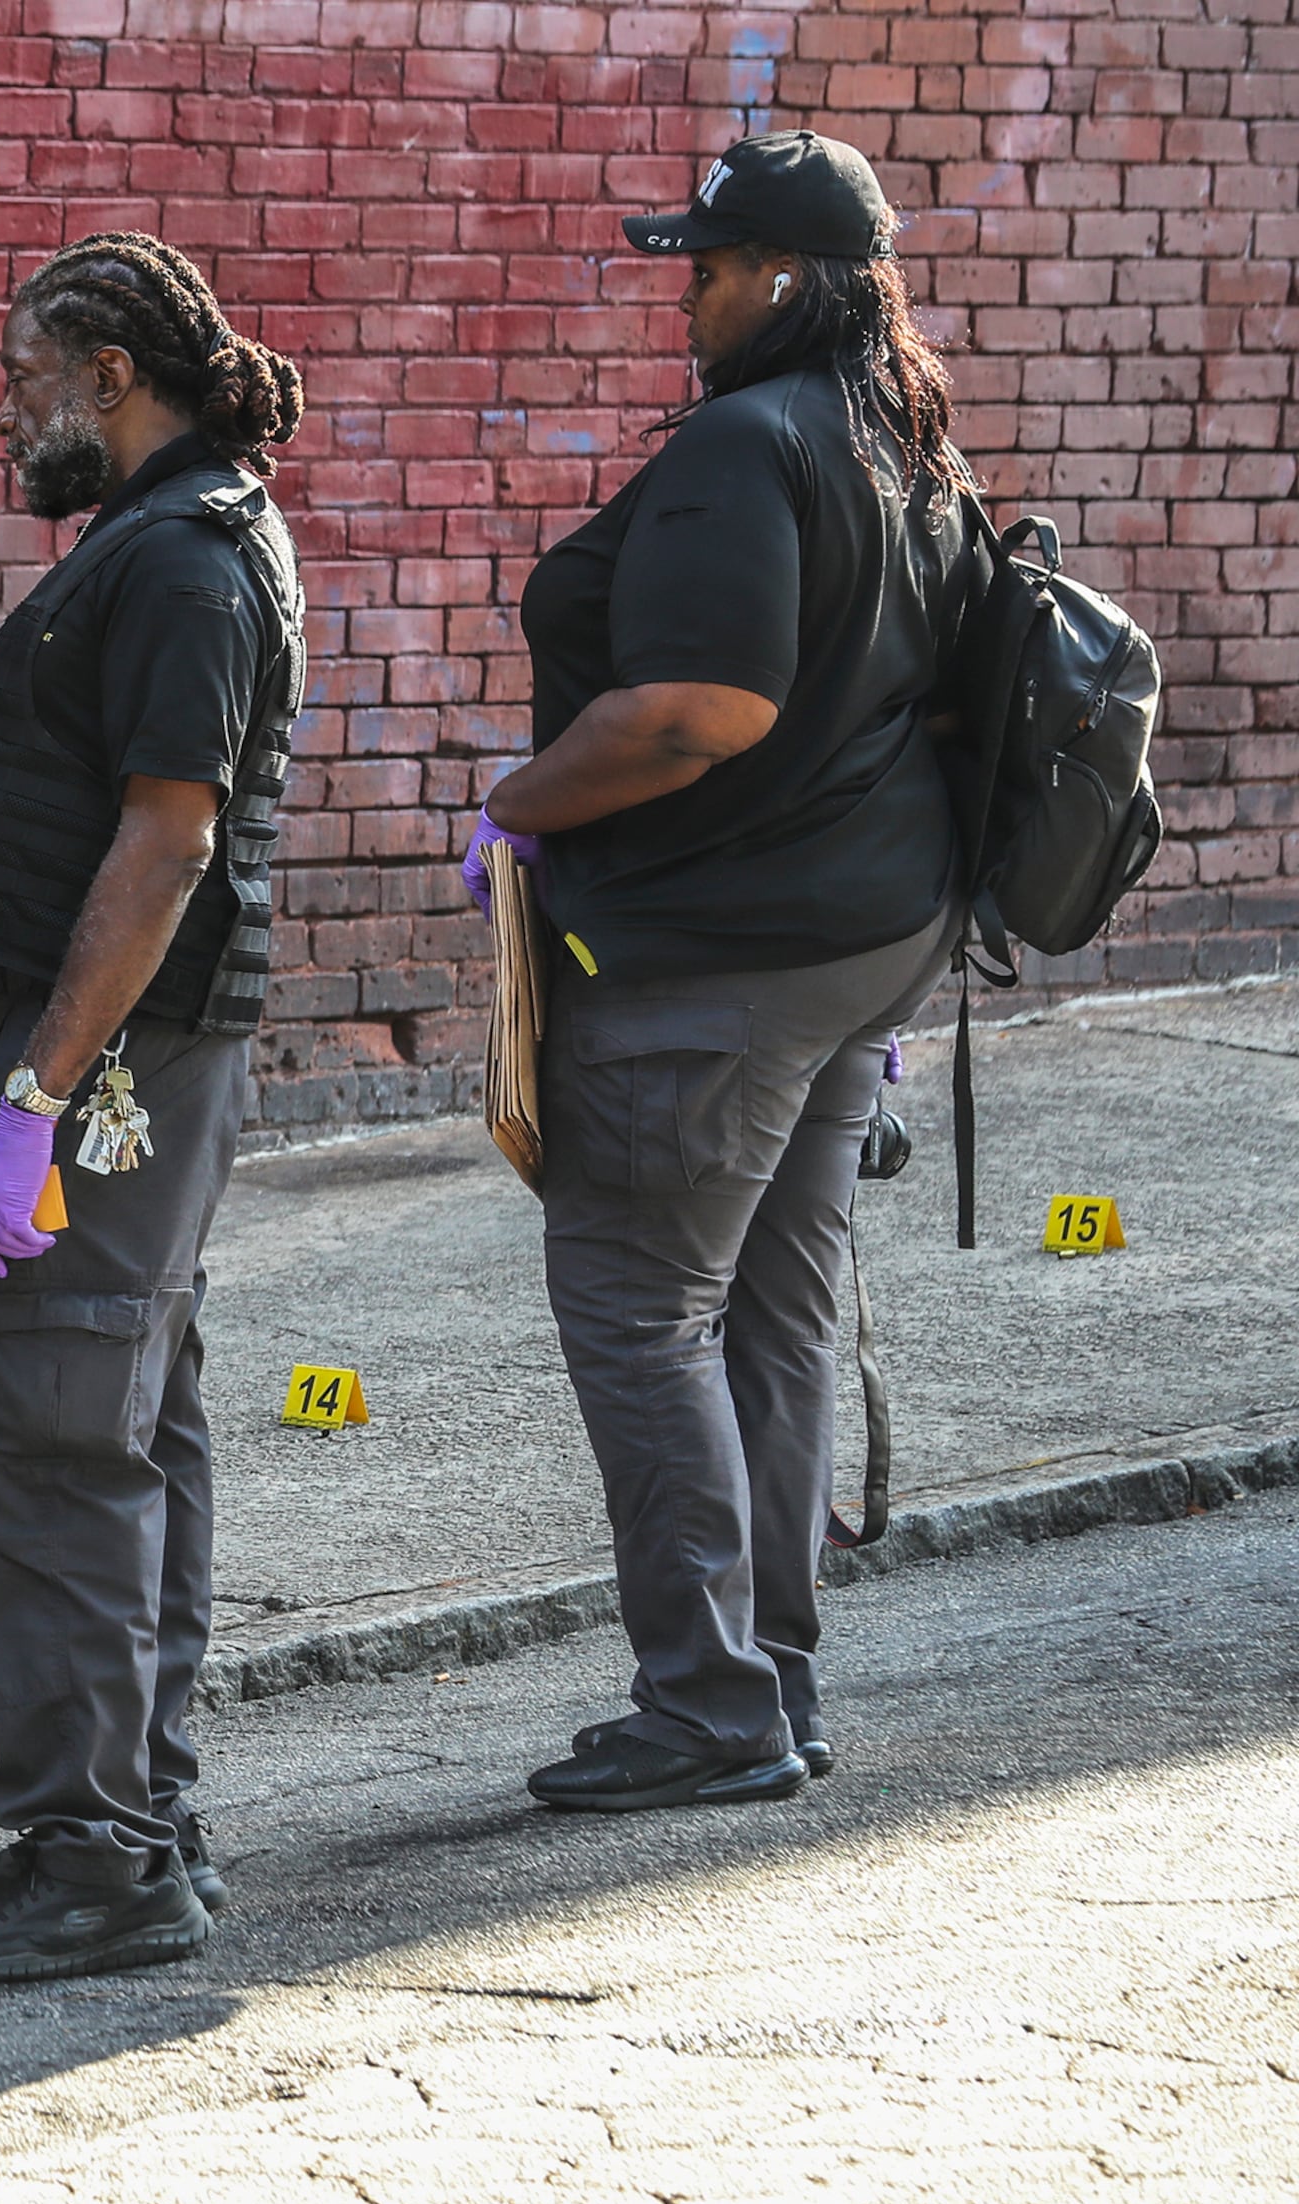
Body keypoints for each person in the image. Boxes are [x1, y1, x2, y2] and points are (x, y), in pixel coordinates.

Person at [466, 133, 987, 1813]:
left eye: (703, 264)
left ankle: (709, 1704)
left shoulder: (746, 445)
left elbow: (702, 711)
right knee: (770, 1315)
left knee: (637, 1312)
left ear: (782, 279)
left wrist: (514, 806)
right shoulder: (904, 442)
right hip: (860, 946)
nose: (684, 291)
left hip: (717, 961)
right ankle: (775, 1681)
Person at [0, 233, 309, 1986]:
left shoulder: (188, 559)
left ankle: (99, 1853)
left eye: (29, 377)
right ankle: (117, 1816)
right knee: (118, 1415)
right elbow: (59, 797)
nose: (12, 410)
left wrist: (36, 1092)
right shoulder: (151, 540)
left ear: (113, 374)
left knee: (60, 1431)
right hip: (89, 1032)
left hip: (115, 1057)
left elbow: (170, 837)